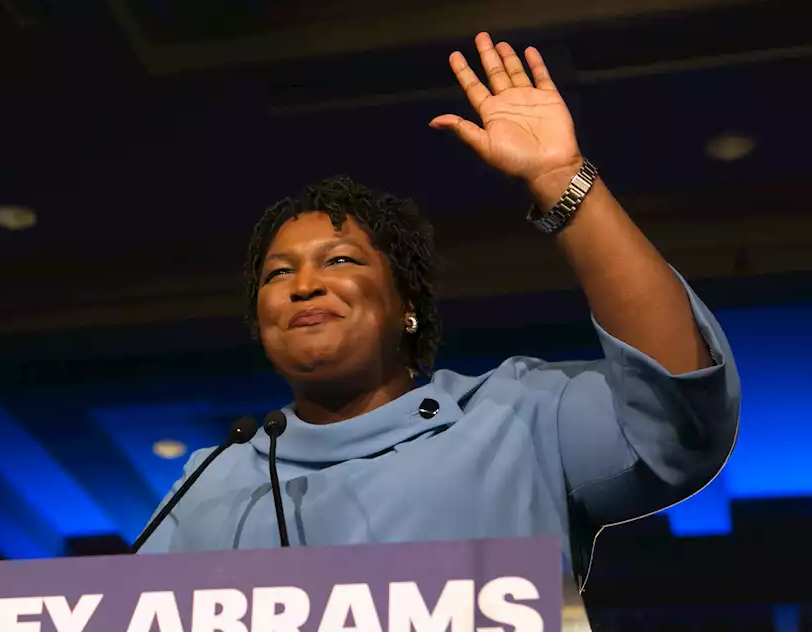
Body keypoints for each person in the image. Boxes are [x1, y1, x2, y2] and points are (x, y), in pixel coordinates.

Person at [137, 33, 740, 577]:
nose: (303, 285)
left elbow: (679, 407)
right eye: (278, 274)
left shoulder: (516, 419)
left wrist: (563, 179)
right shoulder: (207, 483)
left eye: (340, 260)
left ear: (408, 306)